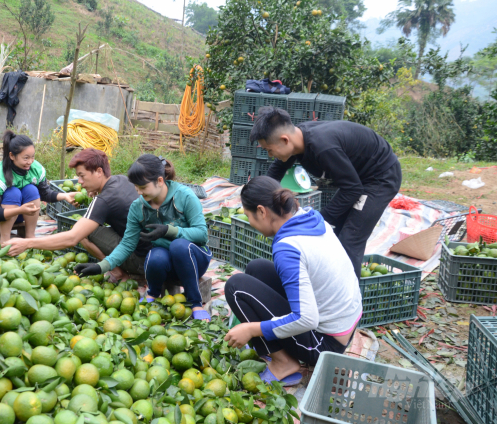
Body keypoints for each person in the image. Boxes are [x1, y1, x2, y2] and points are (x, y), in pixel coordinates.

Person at [224, 176, 362, 385]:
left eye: (248, 216)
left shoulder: (288, 248)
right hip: (345, 326)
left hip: (326, 345)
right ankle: (278, 353)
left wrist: (251, 329)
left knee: (236, 288)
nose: (250, 223)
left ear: (262, 211)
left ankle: (283, 363)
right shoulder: (310, 217)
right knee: (256, 269)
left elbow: (307, 319)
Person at [250, 107, 402, 278]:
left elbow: (353, 189)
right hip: (355, 179)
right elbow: (275, 172)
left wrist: (320, 218)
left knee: (350, 239)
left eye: (269, 150)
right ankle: (328, 281)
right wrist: (257, 199)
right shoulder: (297, 139)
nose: (270, 155)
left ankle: (349, 300)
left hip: (380, 178)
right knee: (333, 233)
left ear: (285, 140)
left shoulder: (323, 147)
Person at [73, 154, 213, 320]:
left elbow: (202, 235)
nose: (138, 192)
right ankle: (152, 295)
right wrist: (102, 266)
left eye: (143, 187)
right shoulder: (138, 207)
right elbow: (127, 244)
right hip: (169, 265)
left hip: (194, 258)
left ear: (159, 181)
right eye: (136, 187)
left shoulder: (185, 196)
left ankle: (195, 303)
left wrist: (170, 231)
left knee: (179, 246)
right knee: (155, 256)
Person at [2, 148, 151, 283]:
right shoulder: (121, 179)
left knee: (82, 233)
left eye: (82, 176)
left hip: (139, 260)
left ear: (99, 172)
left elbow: (72, 238)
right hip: (153, 254)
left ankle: (117, 273)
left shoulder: (103, 200)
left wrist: (27, 243)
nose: (79, 182)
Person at [0, 130, 76, 243]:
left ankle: (30, 237)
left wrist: (65, 196)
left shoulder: (36, 169)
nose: (30, 162)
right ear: (12, 156)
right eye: (26, 158)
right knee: (13, 192)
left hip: (21, 213)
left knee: (31, 189)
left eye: (32, 157)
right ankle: (5, 242)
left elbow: (45, 193)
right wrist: (19, 209)